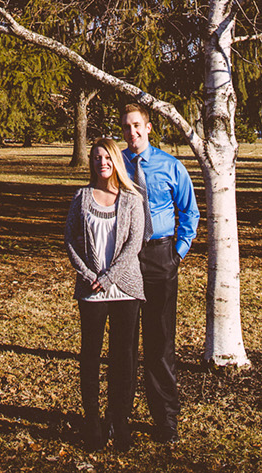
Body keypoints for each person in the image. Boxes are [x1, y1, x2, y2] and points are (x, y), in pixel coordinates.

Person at [120, 101, 200, 444]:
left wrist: (176, 255)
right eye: (126, 127)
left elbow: (190, 213)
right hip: (125, 260)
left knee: (160, 342)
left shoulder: (171, 166)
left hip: (160, 257)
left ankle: (166, 419)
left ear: (149, 128)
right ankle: (118, 418)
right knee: (123, 344)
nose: (132, 133)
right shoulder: (116, 164)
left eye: (137, 126)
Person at [66, 136, 147, 452]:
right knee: (90, 356)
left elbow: (134, 244)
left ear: (116, 162)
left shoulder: (131, 197)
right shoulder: (82, 197)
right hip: (91, 291)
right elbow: (70, 240)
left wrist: (111, 276)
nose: (102, 162)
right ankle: (93, 423)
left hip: (126, 289)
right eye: (97, 157)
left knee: (122, 359)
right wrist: (89, 276)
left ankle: (120, 420)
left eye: (108, 157)